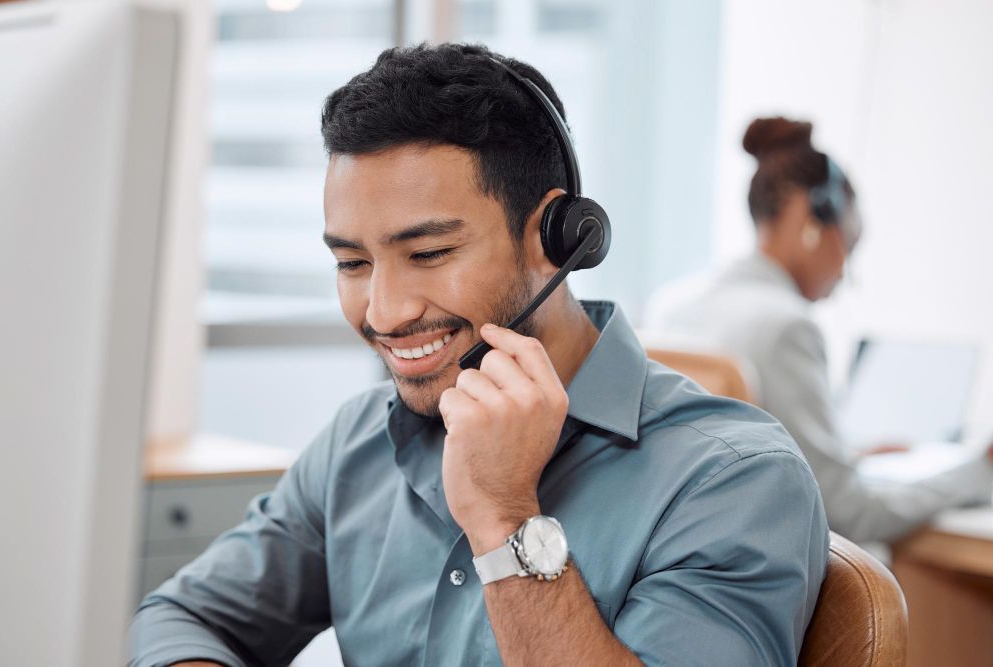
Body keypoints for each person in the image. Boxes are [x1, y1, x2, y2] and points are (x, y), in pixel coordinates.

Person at [130, 47, 828, 666]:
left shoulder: (735, 482)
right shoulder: (358, 442)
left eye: (428, 253)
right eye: (351, 262)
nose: (383, 310)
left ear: (557, 238)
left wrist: (506, 521)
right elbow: (181, 617)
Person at [643, 116, 993, 546]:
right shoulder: (787, 327)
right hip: (753, 566)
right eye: (849, 244)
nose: (845, 270)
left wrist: (843, 456)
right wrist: (976, 473)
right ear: (812, 220)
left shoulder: (672, 305)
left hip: (674, 547)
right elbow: (848, 512)